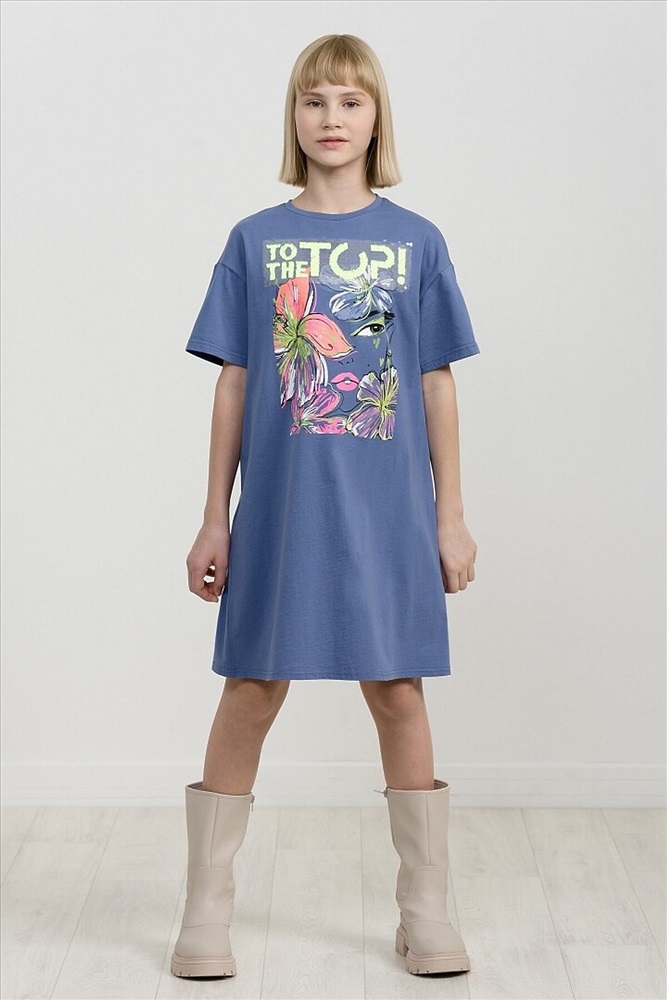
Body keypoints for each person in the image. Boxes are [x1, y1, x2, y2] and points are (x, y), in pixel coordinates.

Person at [171, 33, 479, 981]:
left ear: (376, 118)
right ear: (293, 118)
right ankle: (205, 911)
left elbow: (433, 382)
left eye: (350, 101)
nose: (331, 118)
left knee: (397, 690)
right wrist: (215, 515)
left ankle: (424, 910)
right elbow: (234, 380)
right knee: (251, 687)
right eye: (314, 101)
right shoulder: (254, 241)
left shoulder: (417, 240)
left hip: (388, 513)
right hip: (281, 509)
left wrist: (450, 515)